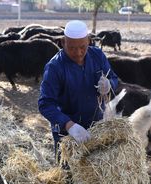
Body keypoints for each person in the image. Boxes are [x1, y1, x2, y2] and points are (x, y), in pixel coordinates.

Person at [38, 20, 119, 160]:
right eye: (72, 48)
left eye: (83, 47)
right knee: (67, 171)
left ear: (88, 41)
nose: (78, 53)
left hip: (95, 125)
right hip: (67, 132)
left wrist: (109, 84)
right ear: (63, 42)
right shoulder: (55, 67)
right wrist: (68, 125)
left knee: (94, 168)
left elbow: (114, 78)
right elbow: (45, 104)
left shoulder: (98, 56)